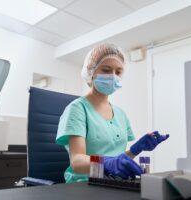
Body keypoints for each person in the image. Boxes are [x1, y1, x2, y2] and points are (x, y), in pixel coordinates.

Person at [56, 43, 169, 183]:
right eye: (106, 70)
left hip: (114, 182)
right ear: (91, 72)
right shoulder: (77, 109)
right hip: (85, 184)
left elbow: (116, 162)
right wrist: (108, 164)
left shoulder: (121, 114)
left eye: (118, 72)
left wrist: (134, 150)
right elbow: (77, 162)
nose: (113, 76)